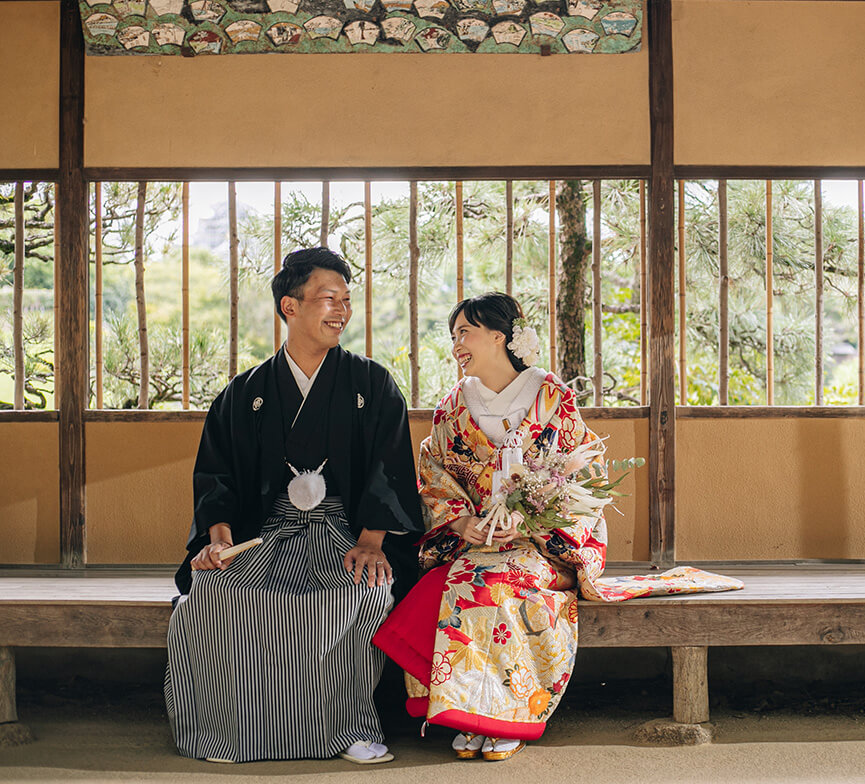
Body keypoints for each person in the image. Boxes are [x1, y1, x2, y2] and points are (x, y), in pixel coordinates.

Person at [165, 246, 424, 765]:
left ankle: (347, 729)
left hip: (347, 530)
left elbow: (390, 467)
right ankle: (225, 734)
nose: (342, 312)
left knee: (357, 596)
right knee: (214, 594)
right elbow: (216, 474)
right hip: (267, 531)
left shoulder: (371, 384)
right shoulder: (246, 393)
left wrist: (373, 542)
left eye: (347, 301)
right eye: (329, 299)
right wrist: (218, 538)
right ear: (290, 307)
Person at [372, 292, 608, 762]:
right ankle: (467, 711)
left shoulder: (550, 396)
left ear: (499, 335)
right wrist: (462, 523)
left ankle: (504, 713)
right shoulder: (453, 406)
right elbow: (433, 476)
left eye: (465, 332)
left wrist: (533, 519)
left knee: (490, 584)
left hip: (542, 545)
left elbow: (584, 474)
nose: (456, 343)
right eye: (453, 334)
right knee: (462, 577)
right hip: (474, 542)